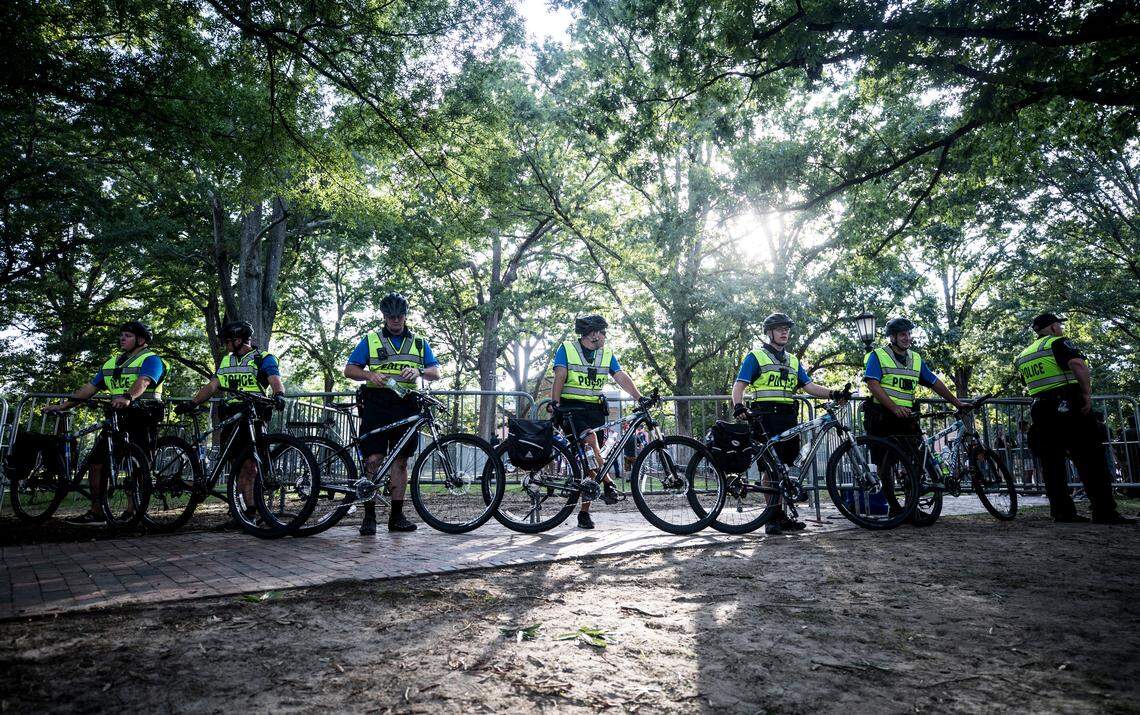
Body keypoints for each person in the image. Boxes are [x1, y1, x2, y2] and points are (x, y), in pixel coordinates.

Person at [731, 312, 849, 535]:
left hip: (787, 417)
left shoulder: (793, 360)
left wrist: (833, 393)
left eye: (787, 329)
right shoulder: (756, 357)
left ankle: (782, 516)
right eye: (779, 328)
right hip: (764, 418)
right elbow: (739, 386)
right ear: (769, 333)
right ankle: (772, 517)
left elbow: (810, 387)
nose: (784, 332)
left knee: (783, 469)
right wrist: (738, 406)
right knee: (770, 470)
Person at [1014, 312, 1133, 524]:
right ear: (1051, 327)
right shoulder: (1058, 343)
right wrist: (1086, 393)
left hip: (1041, 409)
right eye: (1058, 324)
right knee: (1090, 457)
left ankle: (1062, 512)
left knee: (1052, 463)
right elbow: (1077, 364)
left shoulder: (1024, 355)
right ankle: (1104, 510)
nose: (1061, 328)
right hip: (1067, 404)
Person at [43, 321, 167, 526]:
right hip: (117, 416)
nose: (122, 338)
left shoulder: (151, 359)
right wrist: (63, 406)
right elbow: (90, 387)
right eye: (121, 335)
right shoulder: (112, 363)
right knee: (97, 462)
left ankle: (132, 509)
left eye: (127, 335)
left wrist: (128, 397)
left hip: (143, 415)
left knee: (137, 463)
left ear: (141, 340)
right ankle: (96, 511)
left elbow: (144, 381)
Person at [344, 292, 441, 535]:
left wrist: (418, 370)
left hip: (406, 403)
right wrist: (369, 375)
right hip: (376, 403)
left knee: (401, 461)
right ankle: (369, 516)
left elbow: (435, 372)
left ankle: (397, 517)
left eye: (399, 316)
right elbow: (349, 369)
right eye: (390, 316)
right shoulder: (371, 339)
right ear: (384, 317)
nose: (395, 320)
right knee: (374, 459)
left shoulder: (419, 342)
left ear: (405, 316)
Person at [175, 321, 286, 526]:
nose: (224, 345)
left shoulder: (263, 358)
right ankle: (240, 513)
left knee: (251, 467)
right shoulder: (226, 360)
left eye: (227, 341)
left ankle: (249, 513)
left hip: (254, 416)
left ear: (237, 340)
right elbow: (213, 385)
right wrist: (193, 402)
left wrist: (279, 394)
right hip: (231, 417)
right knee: (237, 467)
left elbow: (274, 378)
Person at [550, 314, 651, 529]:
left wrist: (639, 397)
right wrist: (555, 404)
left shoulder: (606, 354)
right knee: (590, 440)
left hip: (595, 411)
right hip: (570, 410)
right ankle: (610, 485)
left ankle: (584, 513)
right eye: (603, 332)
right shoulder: (566, 349)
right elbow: (560, 376)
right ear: (594, 334)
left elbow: (620, 376)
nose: (606, 336)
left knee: (591, 461)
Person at [862, 317, 970, 490]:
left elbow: (934, 382)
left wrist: (957, 403)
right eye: (902, 334)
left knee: (918, 457)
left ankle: (913, 502)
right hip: (882, 415)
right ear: (893, 337)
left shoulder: (916, 359)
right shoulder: (878, 355)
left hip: (906, 415)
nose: (907, 337)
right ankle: (894, 508)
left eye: (909, 334)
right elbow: (872, 384)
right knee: (885, 463)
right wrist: (894, 407)